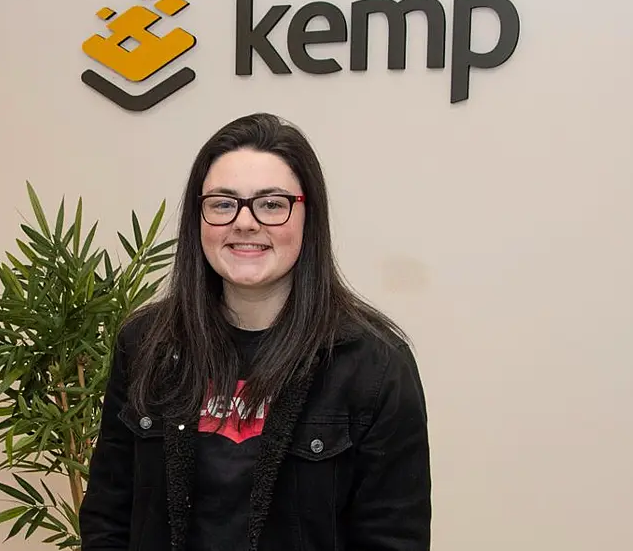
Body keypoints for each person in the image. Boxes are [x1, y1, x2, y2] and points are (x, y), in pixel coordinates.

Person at [79, 113, 431, 551]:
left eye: (271, 203)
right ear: (198, 218)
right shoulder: (145, 344)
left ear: (308, 216)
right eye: (224, 203)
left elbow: (394, 539)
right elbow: (108, 516)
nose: (244, 222)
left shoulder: (374, 364)